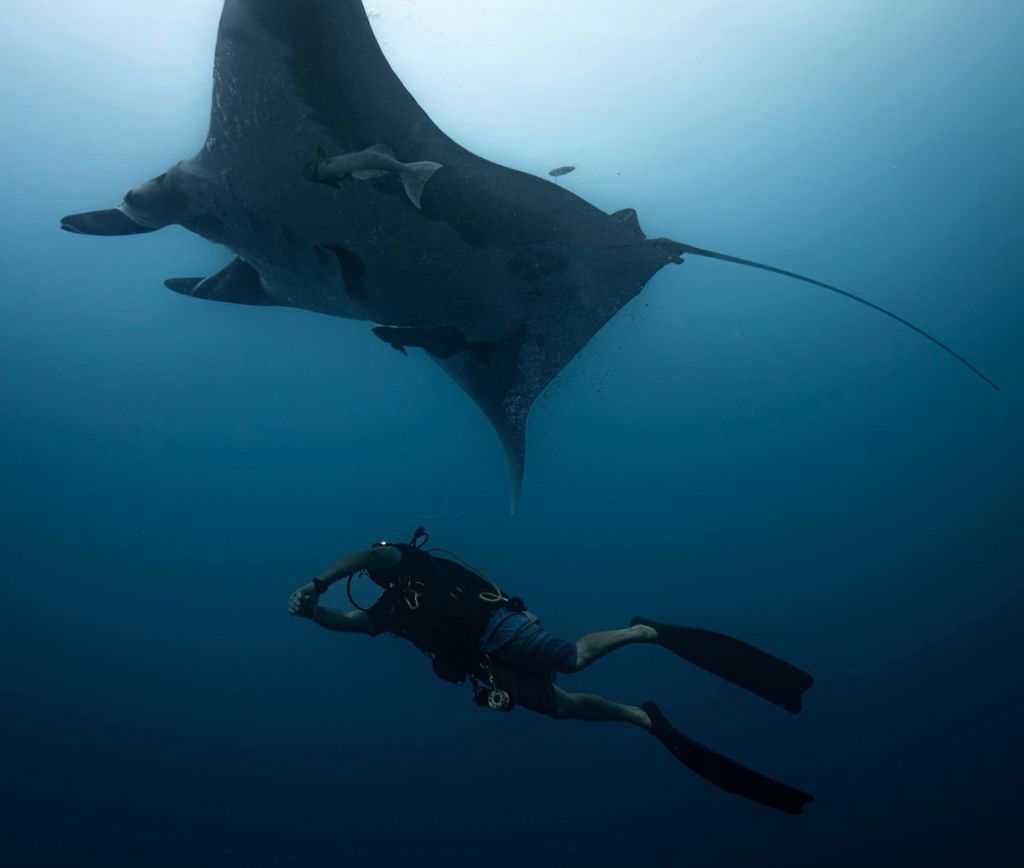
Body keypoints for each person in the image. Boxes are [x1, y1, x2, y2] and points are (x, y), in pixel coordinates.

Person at [288, 528, 815, 815]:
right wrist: (314, 612)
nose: (377, 564)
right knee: (560, 706)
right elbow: (350, 623)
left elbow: (364, 553)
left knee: (574, 659)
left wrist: (318, 581)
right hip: (482, 665)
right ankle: (642, 718)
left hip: (495, 625)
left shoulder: (409, 561)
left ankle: (642, 631)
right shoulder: (387, 612)